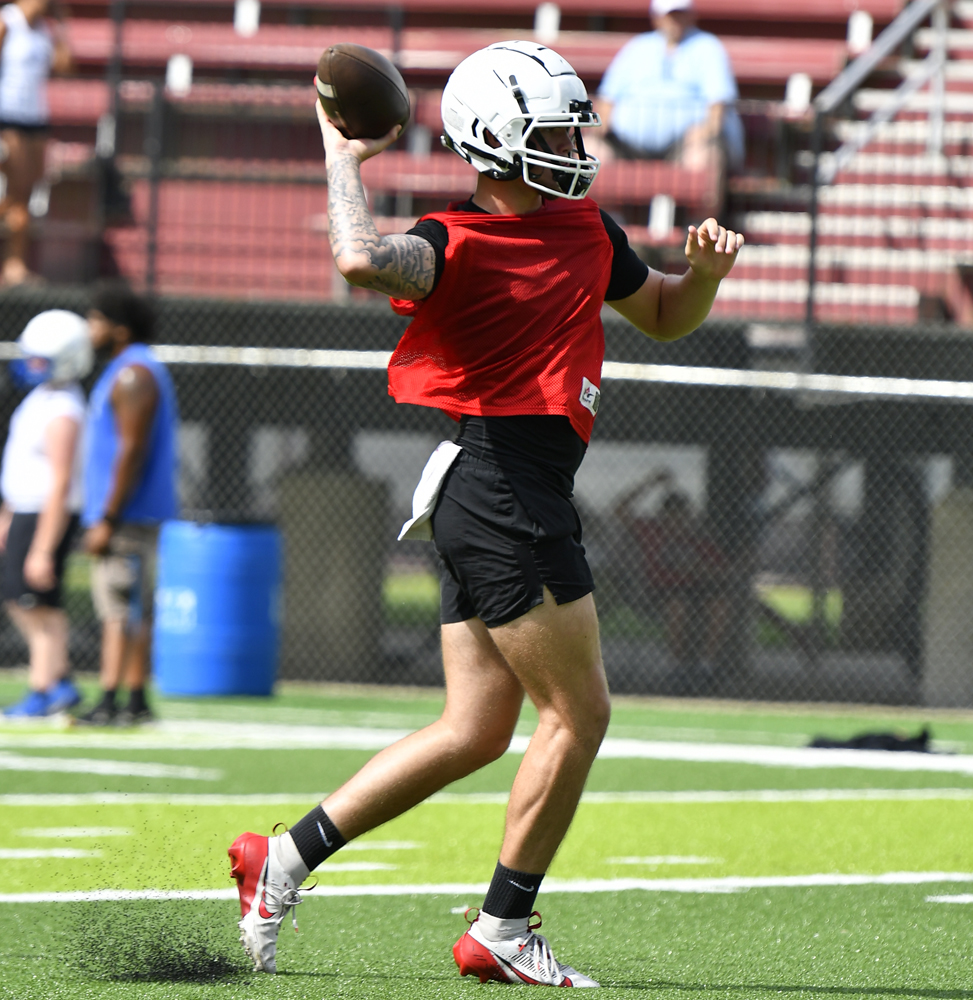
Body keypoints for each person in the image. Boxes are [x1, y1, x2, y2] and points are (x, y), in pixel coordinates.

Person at [228, 40, 742, 986]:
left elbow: (664, 313)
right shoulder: (450, 242)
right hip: (502, 484)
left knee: (475, 729)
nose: (573, 141)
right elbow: (355, 258)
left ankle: (283, 858)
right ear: (497, 138)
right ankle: (505, 927)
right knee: (579, 713)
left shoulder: (589, 228)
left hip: (490, 486)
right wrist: (344, 161)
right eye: (551, 127)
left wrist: (702, 273)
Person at [75, 281, 178, 727]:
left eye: (95, 320)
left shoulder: (133, 373)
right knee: (131, 607)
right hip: (129, 515)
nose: (89, 329)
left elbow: (130, 450)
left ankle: (112, 698)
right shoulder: (131, 368)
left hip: (128, 518)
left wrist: (108, 516)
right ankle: (132, 698)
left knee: (119, 609)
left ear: (118, 328)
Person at [0, 309, 90, 717]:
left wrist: (42, 548)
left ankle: (44, 687)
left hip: (44, 516)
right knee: (25, 601)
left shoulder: (64, 410)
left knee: (34, 602)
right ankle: (59, 678)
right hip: (26, 511)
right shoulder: (43, 399)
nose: (31, 365)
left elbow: (59, 482)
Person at [595, 0, 744, 171]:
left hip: (685, 146)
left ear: (691, 16)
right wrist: (602, 130)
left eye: (680, 14)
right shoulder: (637, 47)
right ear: (656, 18)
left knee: (700, 158)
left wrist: (705, 131)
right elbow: (607, 97)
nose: (675, 21)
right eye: (670, 15)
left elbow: (718, 104)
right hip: (627, 146)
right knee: (592, 151)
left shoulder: (708, 47)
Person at [614, 470, 729, 686]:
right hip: (657, 592)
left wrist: (698, 569)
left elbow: (721, 570)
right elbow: (619, 509)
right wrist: (650, 482)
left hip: (695, 590)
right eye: (671, 516)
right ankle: (676, 669)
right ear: (663, 515)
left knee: (719, 604)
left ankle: (705, 668)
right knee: (677, 605)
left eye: (681, 516)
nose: (676, 522)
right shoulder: (652, 530)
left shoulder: (697, 538)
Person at [0, 0, 72, 285]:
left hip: (35, 119)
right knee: (14, 194)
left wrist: (63, 27)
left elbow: (65, 68)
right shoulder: (6, 21)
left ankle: (15, 266)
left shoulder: (46, 29)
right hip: (7, 117)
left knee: (25, 197)